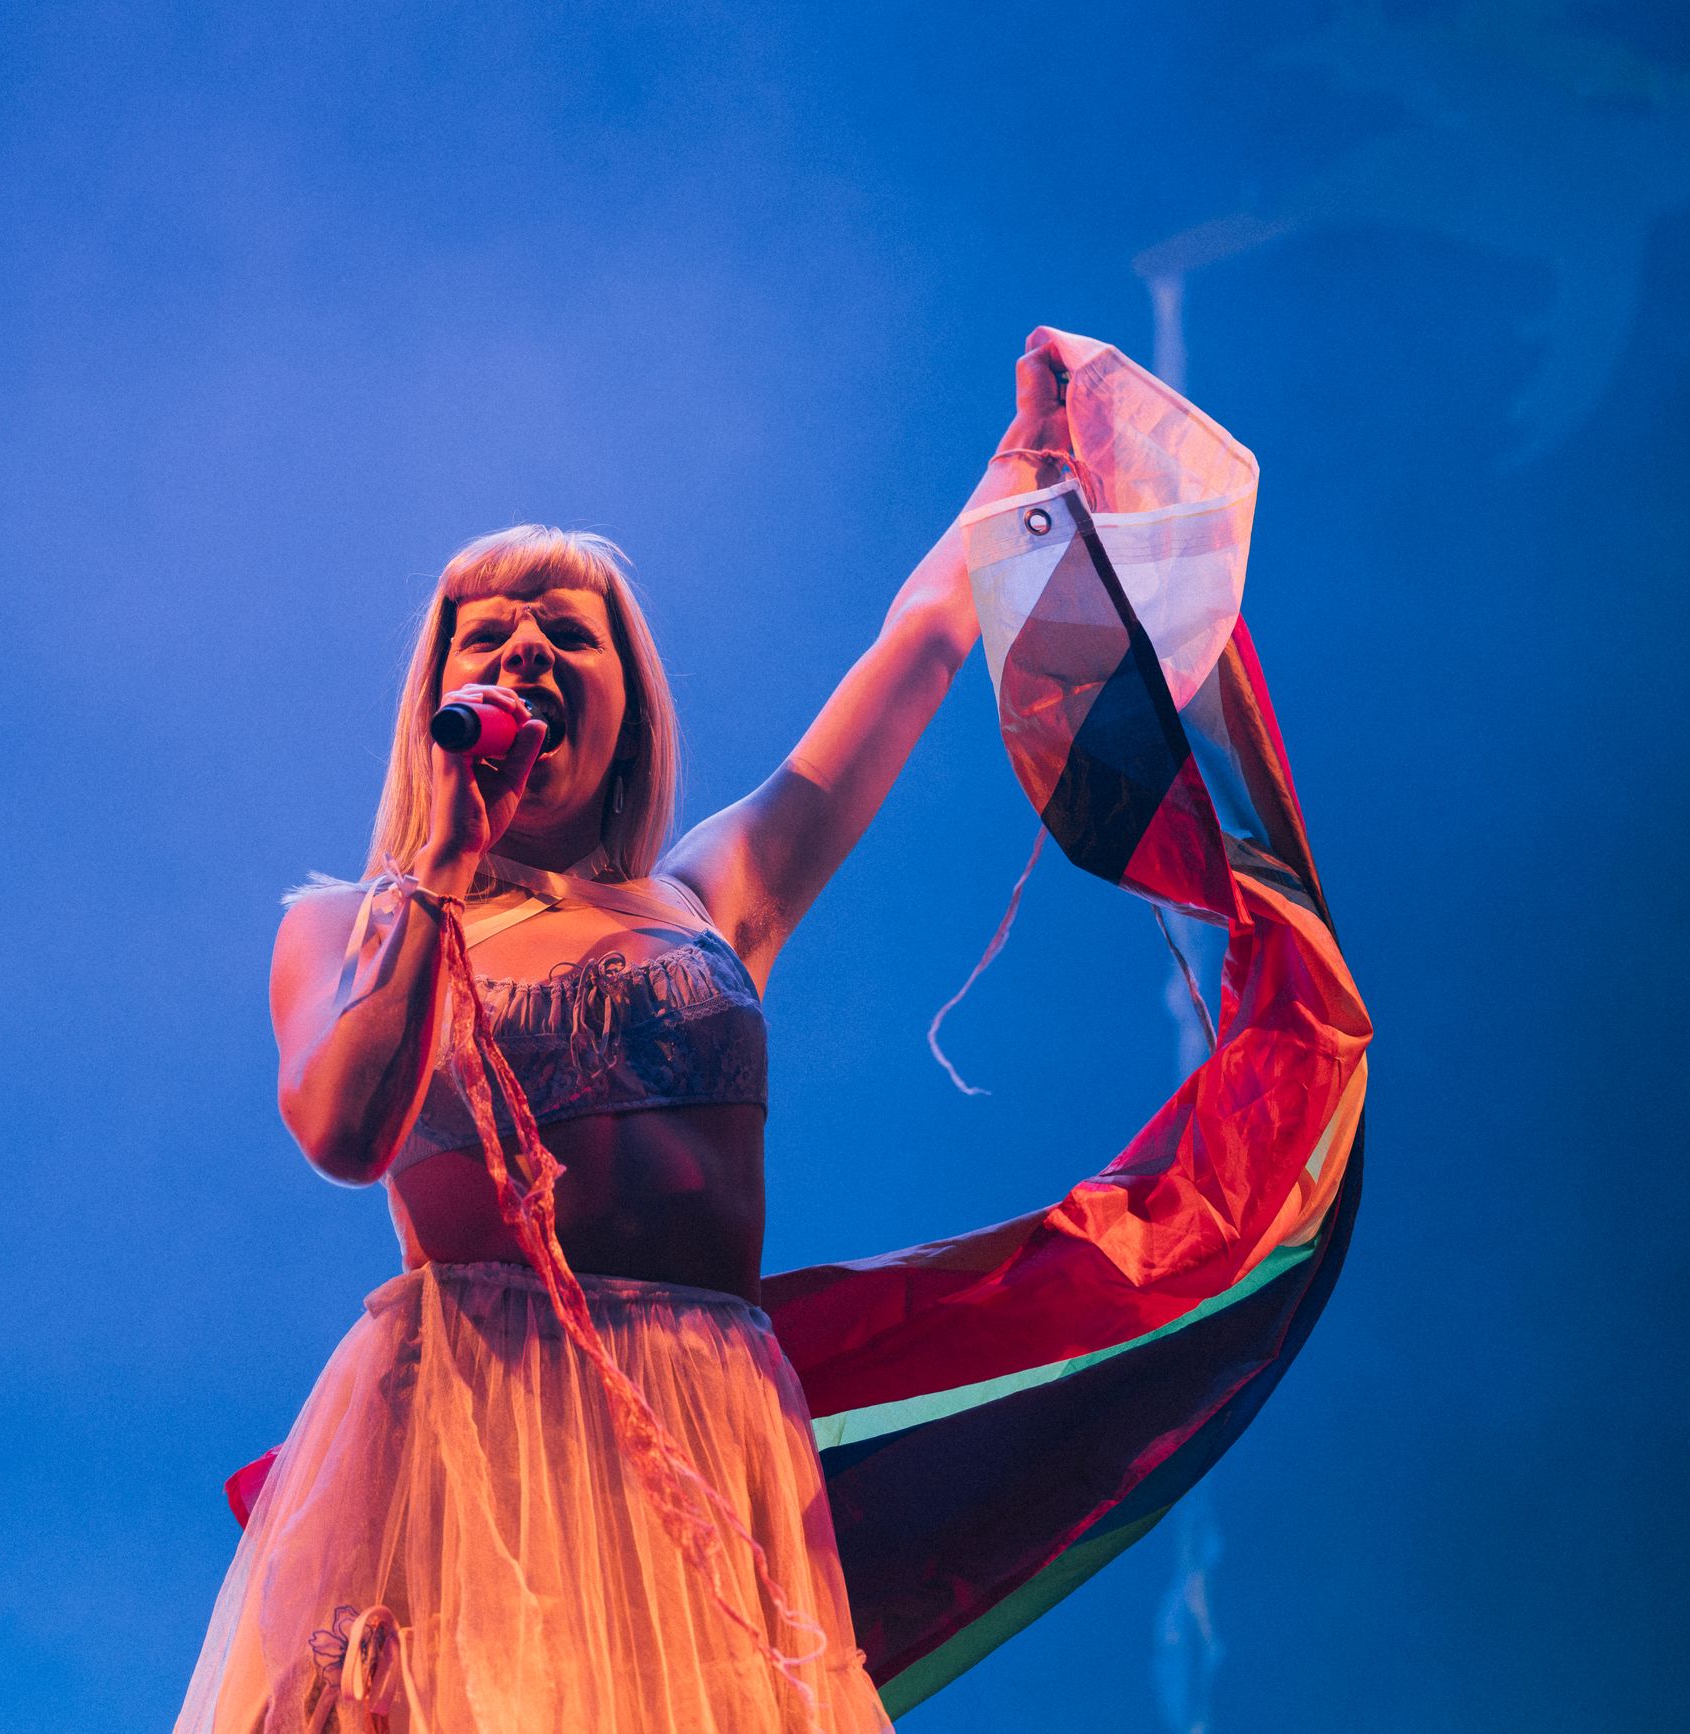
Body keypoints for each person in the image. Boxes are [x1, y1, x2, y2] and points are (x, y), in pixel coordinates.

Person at [172, 337, 1081, 1734]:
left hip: (705, 1427)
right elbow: (344, 1132)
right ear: (436, 699)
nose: (526, 650)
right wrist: (440, 866)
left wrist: (1023, 471)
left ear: (629, 701)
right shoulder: (346, 925)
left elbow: (918, 645)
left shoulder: (716, 893)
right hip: (462, 1439)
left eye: (567, 633)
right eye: (488, 636)